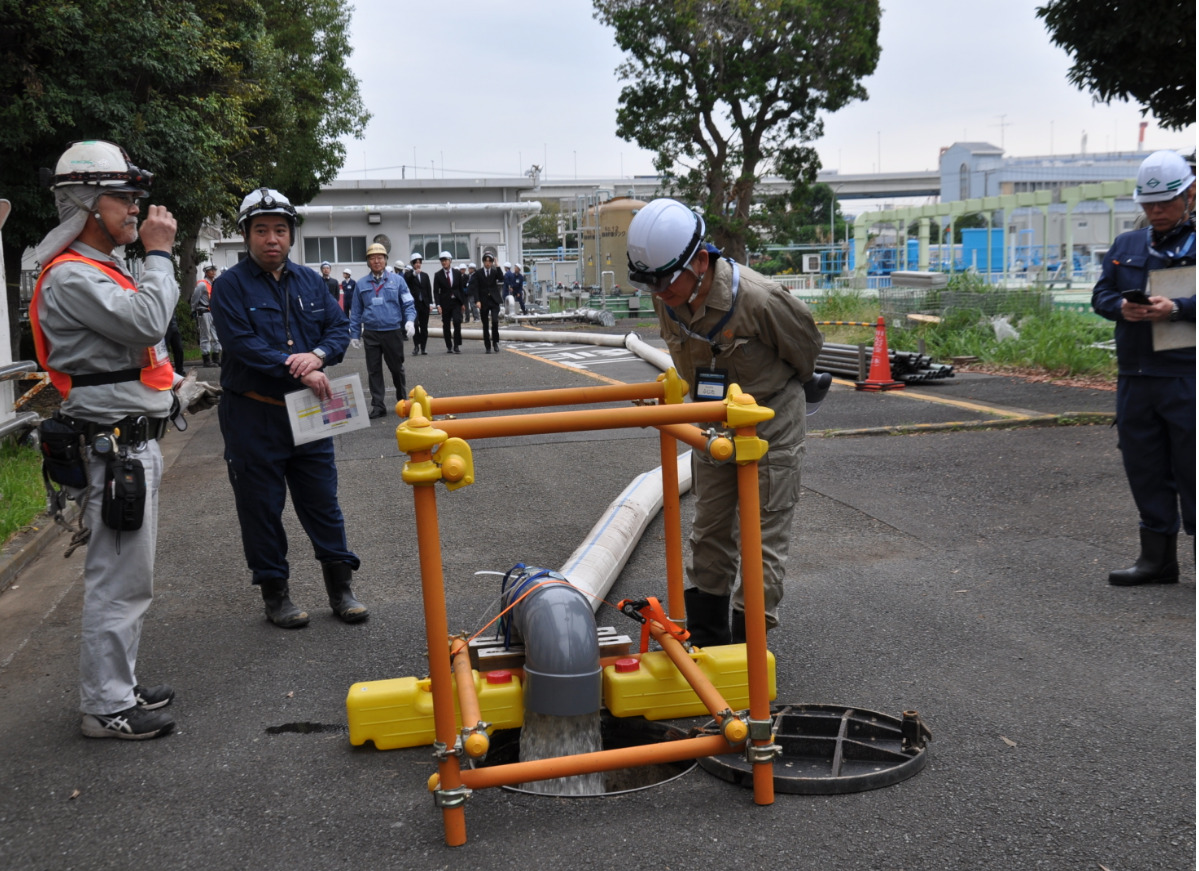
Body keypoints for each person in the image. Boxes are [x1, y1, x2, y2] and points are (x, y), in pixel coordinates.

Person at [31, 139, 179, 739]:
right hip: (113, 449)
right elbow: (148, 319)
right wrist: (161, 254)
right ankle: (105, 707)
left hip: (128, 443)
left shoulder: (102, 268)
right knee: (118, 582)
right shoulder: (70, 276)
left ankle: (119, 681)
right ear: (90, 204)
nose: (136, 211)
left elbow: (143, 340)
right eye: (124, 198)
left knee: (129, 578)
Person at [626, 198, 824, 644]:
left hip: (769, 420)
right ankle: (711, 639)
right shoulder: (669, 298)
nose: (659, 294)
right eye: (650, 285)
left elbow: (806, 350)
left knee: (762, 536)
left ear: (700, 260)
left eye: (666, 282)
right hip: (714, 421)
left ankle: (750, 648)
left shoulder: (758, 299)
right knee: (709, 530)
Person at [210, 187, 368, 627]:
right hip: (253, 414)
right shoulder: (229, 286)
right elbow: (241, 345)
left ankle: (341, 589)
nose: (271, 239)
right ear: (246, 235)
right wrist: (296, 366)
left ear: (291, 235)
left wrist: (316, 356)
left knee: (322, 501)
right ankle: (275, 593)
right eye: (261, 230)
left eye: (280, 230)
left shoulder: (311, 281)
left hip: (309, 409)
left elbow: (338, 330)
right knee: (261, 506)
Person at [1091, 149, 1195, 586]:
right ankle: (1158, 560)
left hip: (1187, 376)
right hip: (1136, 377)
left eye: (1165, 203)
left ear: (1190, 194)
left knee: (1194, 466)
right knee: (1144, 466)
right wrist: (1120, 308)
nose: (1156, 212)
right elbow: (1100, 295)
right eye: (1148, 204)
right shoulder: (1127, 245)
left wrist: (1179, 307)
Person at [348, 242, 416, 418]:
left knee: (396, 368)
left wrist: (410, 321)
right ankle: (378, 405)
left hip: (392, 331)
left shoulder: (398, 281)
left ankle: (403, 401)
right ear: (368, 262)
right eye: (372, 258)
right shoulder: (361, 284)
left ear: (386, 260)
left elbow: (408, 303)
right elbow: (355, 311)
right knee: (374, 370)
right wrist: (354, 334)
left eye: (380, 258)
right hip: (370, 333)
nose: (376, 261)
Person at [434, 251, 468, 353]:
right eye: (442, 261)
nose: (444, 262)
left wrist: (463, 303)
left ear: (450, 261)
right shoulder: (438, 275)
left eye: (445, 260)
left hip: (456, 301)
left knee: (457, 321)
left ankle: (456, 345)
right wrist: (438, 305)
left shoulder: (457, 273)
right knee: (446, 324)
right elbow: (436, 292)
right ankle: (449, 345)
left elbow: (461, 289)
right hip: (445, 303)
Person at [472, 253, 505, 353]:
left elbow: (501, 278)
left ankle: (495, 342)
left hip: (494, 300)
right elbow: (475, 287)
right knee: (485, 324)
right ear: (483, 262)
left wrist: (498, 265)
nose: (487, 263)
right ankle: (487, 346)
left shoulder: (494, 272)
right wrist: (477, 300)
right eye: (486, 261)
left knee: (495, 321)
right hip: (483, 301)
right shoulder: (478, 273)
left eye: (489, 261)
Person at [191, 264, 222, 367]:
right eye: (211, 270)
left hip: (214, 312)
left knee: (216, 335)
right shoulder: (202, 284)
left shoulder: (214, 283)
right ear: (206, 272)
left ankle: (216, 358)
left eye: (214, 270)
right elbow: (195, 298)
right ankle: (206, 359)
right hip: (204, 311)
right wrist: (193, 310)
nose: (213, 272)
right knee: (206, 336)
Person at [405, 252, 434, 355]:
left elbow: (428, 289)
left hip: (424, 304)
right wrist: (414, 273)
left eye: (419, 262)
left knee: (424, 326)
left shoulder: (425, 275)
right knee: (415, 325)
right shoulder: (409, 274)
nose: (418, 264)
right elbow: (407, 278)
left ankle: (423, 347)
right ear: (412, 264)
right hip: (414, 304)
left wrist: (431, 303)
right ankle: (416, 346)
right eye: (416, 262)